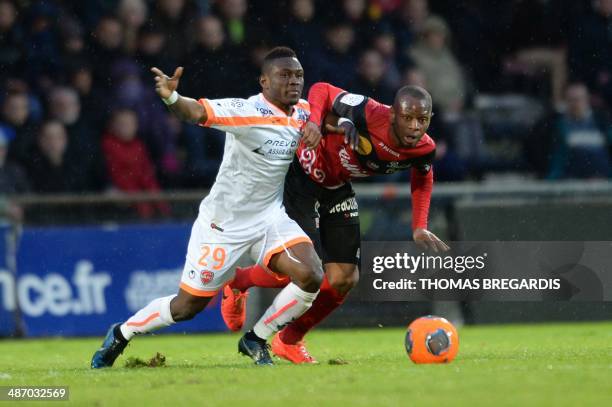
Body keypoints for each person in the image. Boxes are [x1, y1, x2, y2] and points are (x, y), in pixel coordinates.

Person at [91, 47, 323, 368]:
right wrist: (173, 98)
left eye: (298, 75)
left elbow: (320, 109)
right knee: (186, 308)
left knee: (311, 275)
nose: (294, 82)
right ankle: (122, 332)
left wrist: (325, 125)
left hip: (270, 218)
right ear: (264, 82)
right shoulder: (246, 111)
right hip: (222, 226)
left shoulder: (303, 111)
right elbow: (196, 113)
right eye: (284, 76)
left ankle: (256, 338)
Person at [222, 81, 449, 363]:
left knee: (343, 278)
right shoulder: (370, 111)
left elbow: (423, 177)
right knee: (300, 269)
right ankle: (239, 281)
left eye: (423, 119)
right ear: (393, 114)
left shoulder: (424, 148)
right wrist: (315, 123)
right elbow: (321, 89)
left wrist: (419, 225)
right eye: (408, 118)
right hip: (300, 178)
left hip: (336, 187)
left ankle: (289, 340)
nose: (416, 126)